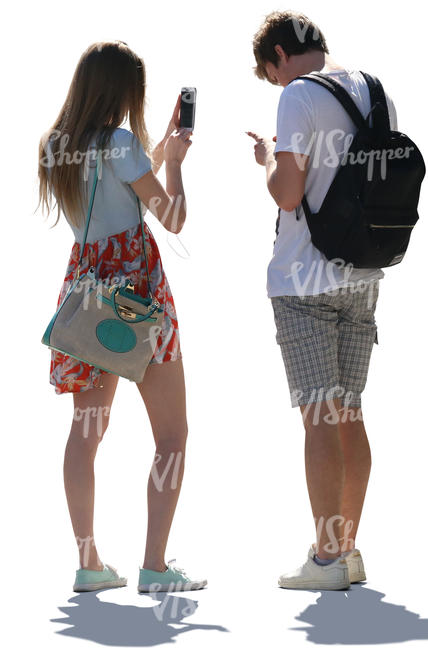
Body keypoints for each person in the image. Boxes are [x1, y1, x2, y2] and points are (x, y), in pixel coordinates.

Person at [37, 40, 206, 593]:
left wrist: (155, 154)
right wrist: (175, 164)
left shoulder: (57, 146)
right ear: (123, 90)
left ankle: (89, 564)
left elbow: (115, 187)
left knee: (85, 433)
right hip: (138, 294)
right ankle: (155, 569)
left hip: (88, 294)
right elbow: (171, 218)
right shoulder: (120, 142)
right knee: (172, 436)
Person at [247, 11, 398, 590]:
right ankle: (349, 550)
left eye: (271, 74)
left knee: (318, 417)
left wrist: (267, 157)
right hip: (363, 272)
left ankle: (327, 558)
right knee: (350, 413)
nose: (277, 86)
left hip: (305, 278)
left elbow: (288, 194)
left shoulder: (298, 98)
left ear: (280, 56)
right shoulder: (374, 91)